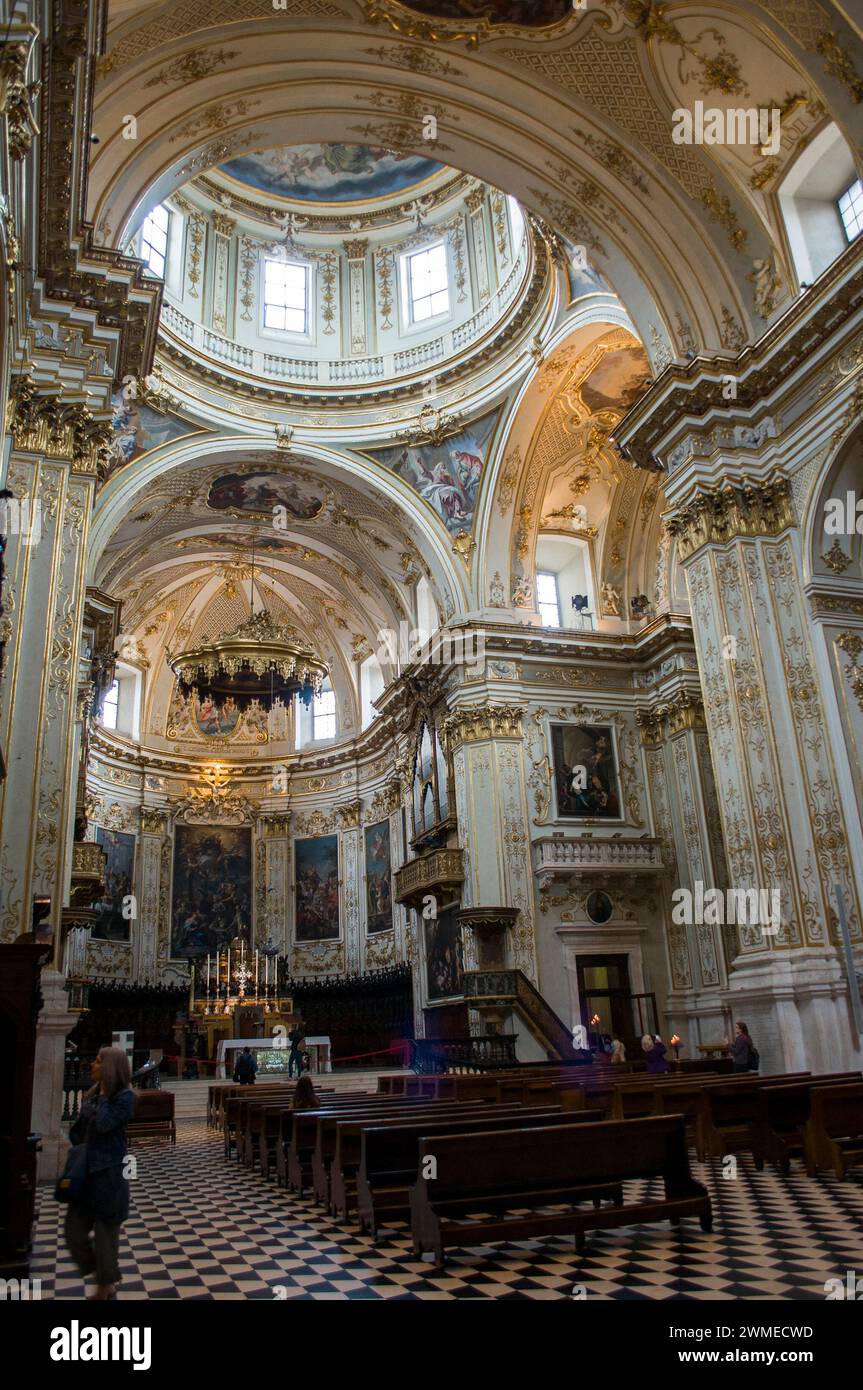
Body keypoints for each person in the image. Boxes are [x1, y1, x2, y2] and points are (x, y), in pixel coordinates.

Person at [64, 1045, 135, 1301]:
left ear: (109, 1068)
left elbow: (105, 1125)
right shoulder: (92, 1096)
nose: (91, 1065)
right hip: (86, 1172)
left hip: (109, 1174)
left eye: (96, 1061)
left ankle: (105, 1285)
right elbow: (78, 1133)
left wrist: (102, 1097)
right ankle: (104, 1277)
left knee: (107, 1237)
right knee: (73, 1231)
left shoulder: (124, 1097)